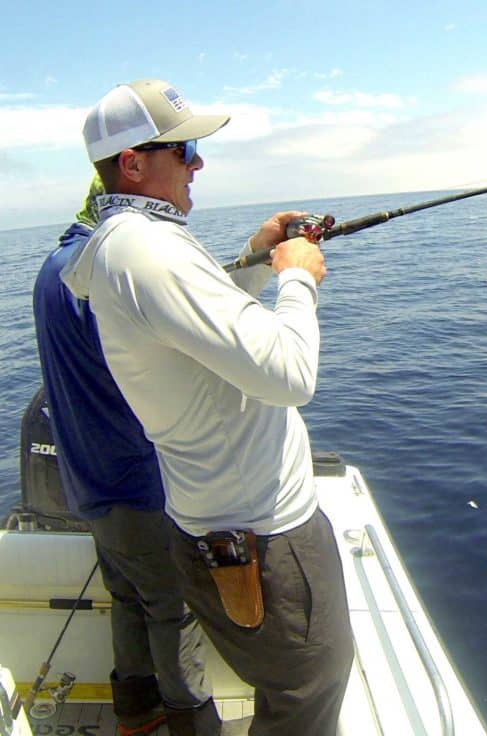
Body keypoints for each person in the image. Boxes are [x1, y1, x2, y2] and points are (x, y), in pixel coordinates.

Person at [61, 79, 353, 736]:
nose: (199, 163)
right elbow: (289, 372)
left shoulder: (119, 245)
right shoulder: (151, 250)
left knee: (295, 692)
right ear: (133, 164)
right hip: (265, 540)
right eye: (184, 149)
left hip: (211, 525)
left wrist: (255, 254)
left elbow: (193, 324)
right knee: (308, 697)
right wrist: (298, 275)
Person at [33, 175, 221, 735]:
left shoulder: (55, 268)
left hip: (87, 481)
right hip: (135, 482)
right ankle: (192, 725)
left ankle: (136, 714)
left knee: (127, 597)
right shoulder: (105, 275)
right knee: (172, 608)